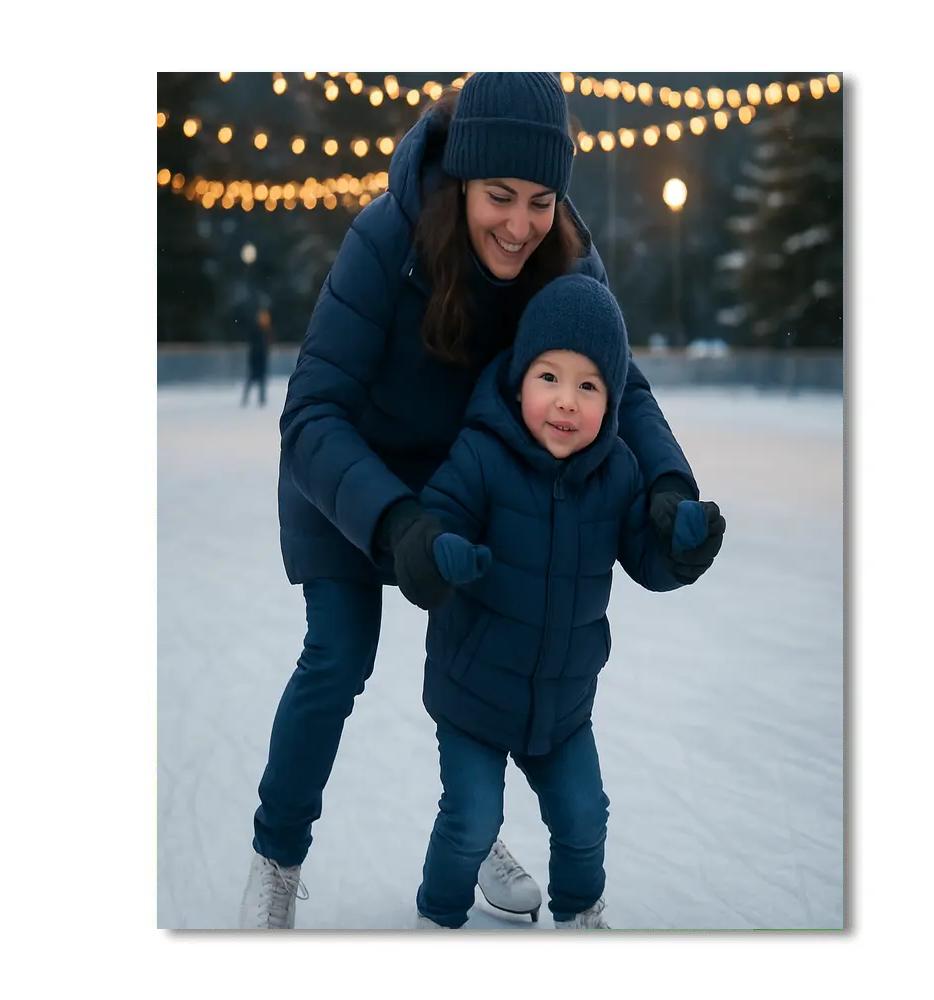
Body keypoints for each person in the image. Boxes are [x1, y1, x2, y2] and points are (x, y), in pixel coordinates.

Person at [240, 73, 723, 930]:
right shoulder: (386, 238)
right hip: (349, 473)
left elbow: (625, 386)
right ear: (461, 180)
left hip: (468, 472)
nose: (519, 224)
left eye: (541, 200)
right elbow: (311, 411)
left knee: (491, 649)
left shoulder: (562, 249)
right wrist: (394, 521)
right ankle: (276, 857)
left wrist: (668, 486)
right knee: (339, 655)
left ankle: (476, 827)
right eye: (499, 197)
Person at [408, 274, 724, 930]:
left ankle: (581, 917)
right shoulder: (482, 454)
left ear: (610, 402)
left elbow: (646, 556)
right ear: (520, 377)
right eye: (549, 377)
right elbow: (438, 515)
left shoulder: (617, 473)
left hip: (562, 704)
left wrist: (680, 549)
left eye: (588, 386)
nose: (565, 402)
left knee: (584, 815)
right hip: (473, 693)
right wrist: (442, 549)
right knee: (472, 819)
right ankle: (438, 917)